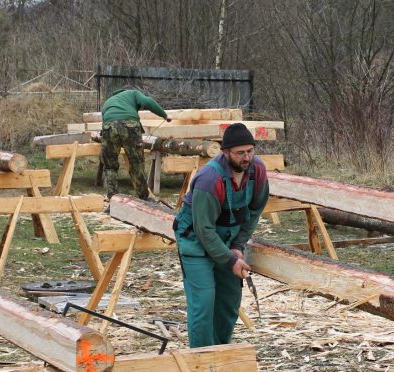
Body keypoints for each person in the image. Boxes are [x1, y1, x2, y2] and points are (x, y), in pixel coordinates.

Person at [173, 123, 269, 350]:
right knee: (204, 303)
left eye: (250, 151)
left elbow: (254, 212)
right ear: (225, 152)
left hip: (228, 239)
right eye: (240, 153)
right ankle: (203, 366)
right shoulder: (209, 179)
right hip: (195, 240)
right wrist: (229, 260)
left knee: (229, 301)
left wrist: (237, 246)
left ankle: (221, 358)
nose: (246, 158)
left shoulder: (258, 171)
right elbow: (204, 229)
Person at [99, 88, 168, 200]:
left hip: (109, 127)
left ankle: (112, 199)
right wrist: (164, 115)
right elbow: (148, 102)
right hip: (130, 125)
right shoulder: (133, 93)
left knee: (110, 166)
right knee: (136, 163)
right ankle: (143, 197)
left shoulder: (108, 102)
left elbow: (106, 122)